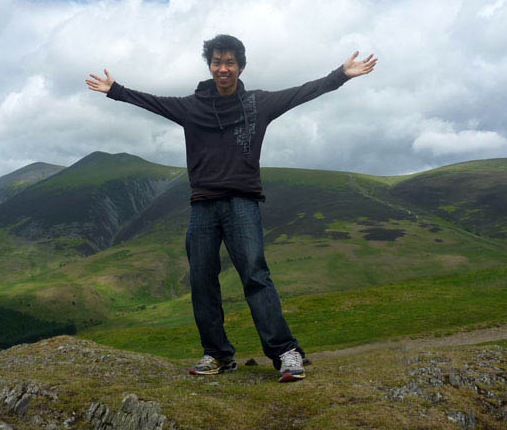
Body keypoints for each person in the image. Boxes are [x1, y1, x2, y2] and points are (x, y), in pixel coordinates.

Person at [86, 35, 377, 382]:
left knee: (255, 276)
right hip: (203, 207)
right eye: (216, 62)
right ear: (209, 66)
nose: (223, 69)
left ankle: (286, 352)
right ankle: (218, 355)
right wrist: (115, 89)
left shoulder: (259, 104)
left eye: (229, 63)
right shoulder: (192, 107)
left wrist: (340, 75)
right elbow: (152, 102)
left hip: (243, 204)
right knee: (202, 281)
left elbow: (301, 93)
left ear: (241, 66)